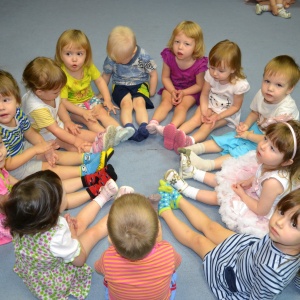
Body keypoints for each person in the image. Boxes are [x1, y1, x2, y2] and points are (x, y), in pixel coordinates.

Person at [157, 181, 300, 299]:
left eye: (294, 224)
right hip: (246, 251)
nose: (279, 223)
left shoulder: (271, 272)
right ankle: (179, 200)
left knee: (198, 241)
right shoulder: (283, 237)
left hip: (234, 275)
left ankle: (165, 212)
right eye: (281, 212)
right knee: (212, 227)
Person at [165, 120, 300, 237]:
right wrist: (250, 181)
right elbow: (260, 174)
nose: (263, 146)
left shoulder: (273, 183)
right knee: (225, 180)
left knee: (221, 197)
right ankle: (193, 173)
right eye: (265, 139)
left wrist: (242, 194)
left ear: (286, 162)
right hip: (260, 192)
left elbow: (261, 210)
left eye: (272, 148)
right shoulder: (269, 163)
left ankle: (186, 189)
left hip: (262, 210)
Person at [3, 170, 118, 300]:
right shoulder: (57, 233)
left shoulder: (23, 220)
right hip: (56, 277)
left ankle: (103, 197)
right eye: (63, 193)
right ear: (51, 209)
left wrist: (69, 230)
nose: (65, 194)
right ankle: (119, 211)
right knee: (91, 233)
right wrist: (73, 235)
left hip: (38, 268)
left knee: (77, 224)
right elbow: (79, 261)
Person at [180, 55, 300, 172]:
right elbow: (255, 112)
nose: (270, 88)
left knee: (244, 151)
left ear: (290, 89)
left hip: (275, 142)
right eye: (267, 81)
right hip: (261, 129)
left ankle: (207, 165)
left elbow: (274, 140)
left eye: (278, 85)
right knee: (231, 138)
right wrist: (246, 126)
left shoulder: (285, 111)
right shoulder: (262, 94)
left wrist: (248, 135)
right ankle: (193, 149)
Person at [0, 69, 112, 180]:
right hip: (14, 168)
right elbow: (8, 164)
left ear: (17, 101)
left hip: (23, 148)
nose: (1, 107)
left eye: (5, 100)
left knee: (53, 154)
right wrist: (35, 150)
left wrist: (45, 147)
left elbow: (29, 132)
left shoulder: (17, 113)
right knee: (49, 167)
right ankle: (85, 170)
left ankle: (88, 157)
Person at [94, 193, 182, 300]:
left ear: (111, 240)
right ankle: (154, 215)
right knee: (168, 267)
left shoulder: (108, 258)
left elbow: (97, 268)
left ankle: (153, 216)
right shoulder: (168, 252)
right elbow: (177, 263)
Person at [55, 29, 134, 146]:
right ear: (60, 54)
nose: (74, 59)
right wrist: (83, 112)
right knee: (90, 120)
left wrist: (107, 99)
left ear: (86, 54)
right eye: (68, 54)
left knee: (101, 113)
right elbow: (64, 102)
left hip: (90, 99)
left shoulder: (88, 67)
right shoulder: (61, 75)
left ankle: (120, 131)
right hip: (74, 107)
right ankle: (106, 136)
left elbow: (100, 81)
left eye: (79, 54)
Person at [169, 40, 250, 153]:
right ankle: (176, 134)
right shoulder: (210, 75)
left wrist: (218, 116)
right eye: (212, 67)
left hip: (226, 113)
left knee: (207, 126)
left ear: (233, 69)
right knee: (195, 119)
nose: (215, 73)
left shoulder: (239, 85)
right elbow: (204, 94)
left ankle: (190, 142)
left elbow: (235, 107)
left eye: (221, 70)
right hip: (210, 104)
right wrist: (204, 110)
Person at [22, 57, 116, 153]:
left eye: (60, 90)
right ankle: (91, 150)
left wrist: (67, 121)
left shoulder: (50, 92)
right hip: (43, 134)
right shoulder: (37, 109)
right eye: (56, 92)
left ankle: (104, 138)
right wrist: (76, 141)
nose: (59, 94)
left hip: (54, 123)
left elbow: (59, 105)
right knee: (65, 142)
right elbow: (55, 130)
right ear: (39, 92)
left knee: (76, 132)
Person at [146, 20, 208, 149]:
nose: (180, 47)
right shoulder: (169, 56)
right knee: (165, 102)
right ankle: (153, 123)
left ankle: (171, 128)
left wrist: (184, 92)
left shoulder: (199, 63)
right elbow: (165, 77)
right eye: (177, 42)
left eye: (187, 44)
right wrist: (173, 91)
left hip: (190, 90)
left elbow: (199, 85)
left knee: (182, 107)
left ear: (196, 46)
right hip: (172, 86)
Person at [102, 26, 158, 142]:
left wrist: (152, 91)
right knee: (126, 104)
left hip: (140, 83)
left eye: (121, 60)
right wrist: (101, 92)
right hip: (120, 84)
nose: (117, 61)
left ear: (133, 52)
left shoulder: (143, 56)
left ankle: (143, 126)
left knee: (139, 103)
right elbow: (106, 74)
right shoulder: (112, 57)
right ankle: (128, 128)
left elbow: (153, 73)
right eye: (115, 59)